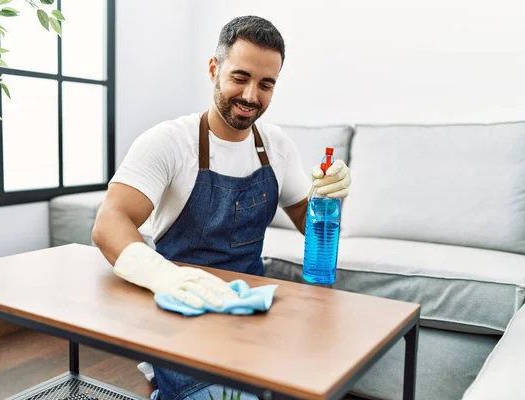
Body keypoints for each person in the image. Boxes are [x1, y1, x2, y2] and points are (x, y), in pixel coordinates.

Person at [92, 15, 352, 400]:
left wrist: (327, 196)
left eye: (266, 84)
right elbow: (109, 222)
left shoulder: (276, 146)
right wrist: (166, 278)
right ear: (214, 68)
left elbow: (308, 222)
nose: (250, 96)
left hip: (249, 305)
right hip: (182, 307)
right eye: (240, 77)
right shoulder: (169, 141)